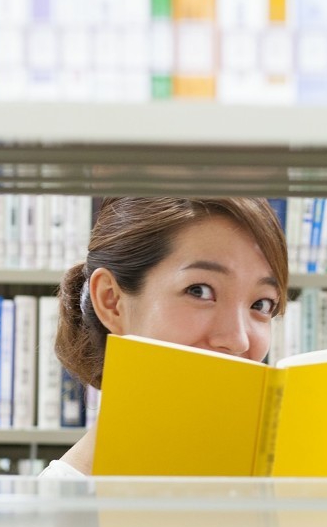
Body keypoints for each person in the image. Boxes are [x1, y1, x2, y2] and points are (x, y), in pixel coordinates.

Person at [40, 196, 290, 478]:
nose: (238, 340)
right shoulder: (55, 513)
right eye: (199, 291)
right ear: (111, 301)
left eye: (262, 305)